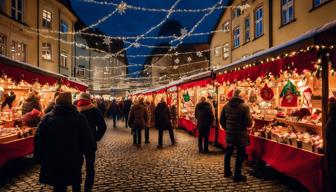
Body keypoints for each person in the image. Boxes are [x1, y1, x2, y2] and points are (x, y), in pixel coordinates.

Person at [34, 92, 95, 192]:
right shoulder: (79, 118)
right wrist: (88, 152)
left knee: (59, 186)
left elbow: (38, 138)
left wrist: (39, 158)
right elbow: (87, 138)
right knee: (75, 183)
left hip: (54, 160)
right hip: (74, 159)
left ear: (57, 102)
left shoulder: (47, 118)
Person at [220, 89, 253, 182]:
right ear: (241, 96)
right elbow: (249, 123)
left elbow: (221, 120)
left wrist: (227, 128)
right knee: (240, 154)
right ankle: (237, 175)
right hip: (241, 134)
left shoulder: (226, 106)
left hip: (230, 133)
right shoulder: (245, 107)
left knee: (228, 152)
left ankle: (227, 172)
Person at [76, 92, 106, 192]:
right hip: (90, 143)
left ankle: (76, 189)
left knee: (76, 167)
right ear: (89, 100)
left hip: (77, 144)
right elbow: (103, 127)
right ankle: (87, 189)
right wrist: (95, 137)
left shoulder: (75, 110)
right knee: (90, 168)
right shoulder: (94, 110)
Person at [326, 97, 336, 192]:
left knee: (332, 164)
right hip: (331, 144)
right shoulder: (332, 118)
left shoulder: (331, 119)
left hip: (331, 145)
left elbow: (328, 133)